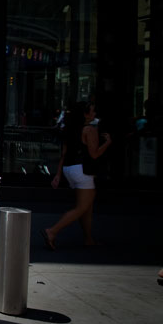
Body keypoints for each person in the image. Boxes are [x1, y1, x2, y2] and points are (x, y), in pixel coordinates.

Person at [43, 101, 112, 250]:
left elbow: (64, 153)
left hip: (70, 169)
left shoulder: (71, 129)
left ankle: (88, 238)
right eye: (92, 111)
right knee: (82, 207)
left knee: (86, 206)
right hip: (83, 170)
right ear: (85, 114)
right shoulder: (89, 130)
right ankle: (52, 231)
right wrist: (107, 143)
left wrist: (58, 175)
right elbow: (94, 154)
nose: (94, 114)